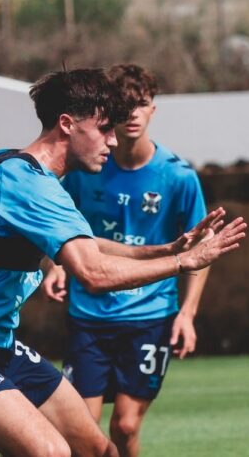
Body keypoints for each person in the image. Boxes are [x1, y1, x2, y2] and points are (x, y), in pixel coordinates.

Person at [0, 68, 246, 457]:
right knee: (52, 452)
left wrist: (165, 249)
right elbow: (94, 273)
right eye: (104, 128)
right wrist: (185, 261)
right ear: (67, 124)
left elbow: (89, 245)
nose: (113, 141)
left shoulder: (13, 167)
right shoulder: (30, 185)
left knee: (99, 450)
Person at [39, 64, 208, 457]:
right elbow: (52, 224)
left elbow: (201, 251)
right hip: (90, 316)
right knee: (80, 431)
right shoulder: (85, 166)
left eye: (142, 104)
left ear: (154, 110)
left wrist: (187, 313)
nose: (132, 113)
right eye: (124, 105)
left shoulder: (178, 176)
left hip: (150, 317)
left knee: (126, 427)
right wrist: (55, 266)